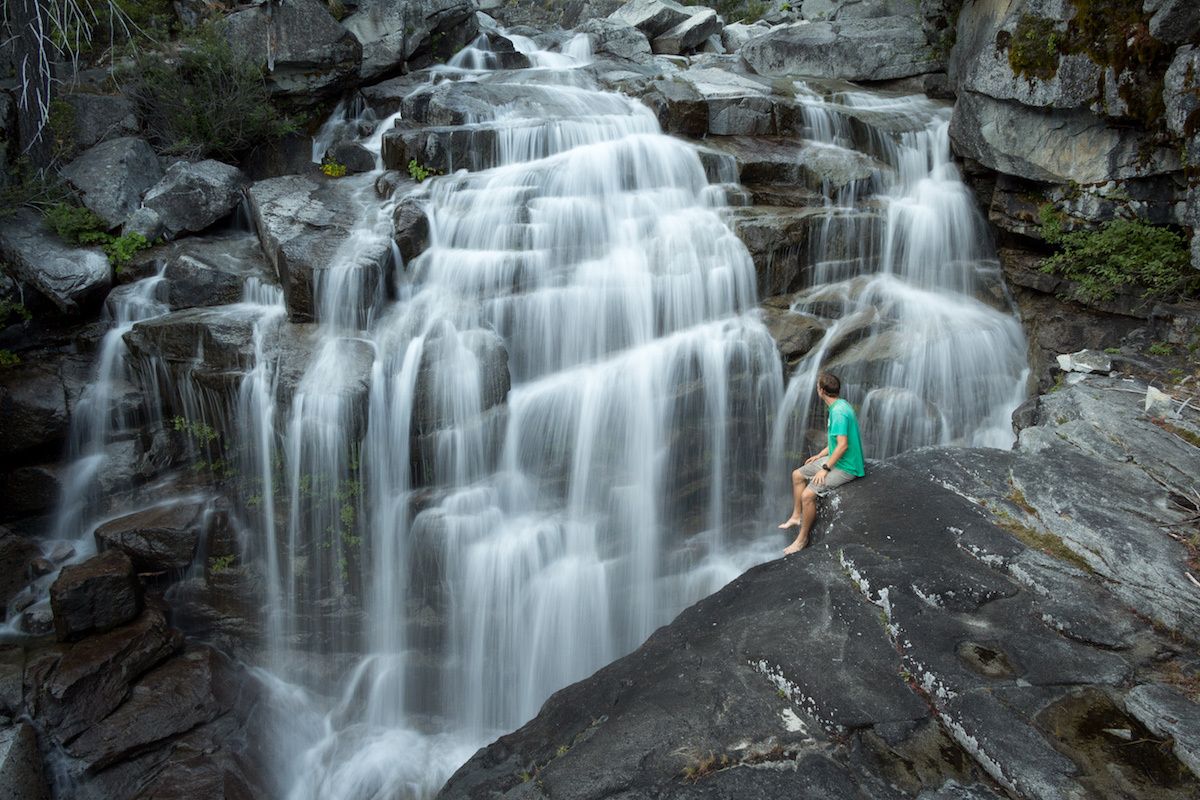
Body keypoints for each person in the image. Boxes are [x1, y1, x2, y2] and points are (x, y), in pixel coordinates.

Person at [778, 372, 865, 554]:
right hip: (837, 458)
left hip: (847, 466)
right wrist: (820, 455)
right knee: (797, 475)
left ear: (822, 390)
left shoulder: (839, 413)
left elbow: (842, 446)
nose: (817, 388)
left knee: (808, 495)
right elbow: (835, 443)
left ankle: (802, 539)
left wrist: (825, 468)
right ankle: (796, 516)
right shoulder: (838, 405)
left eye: (818, 386)